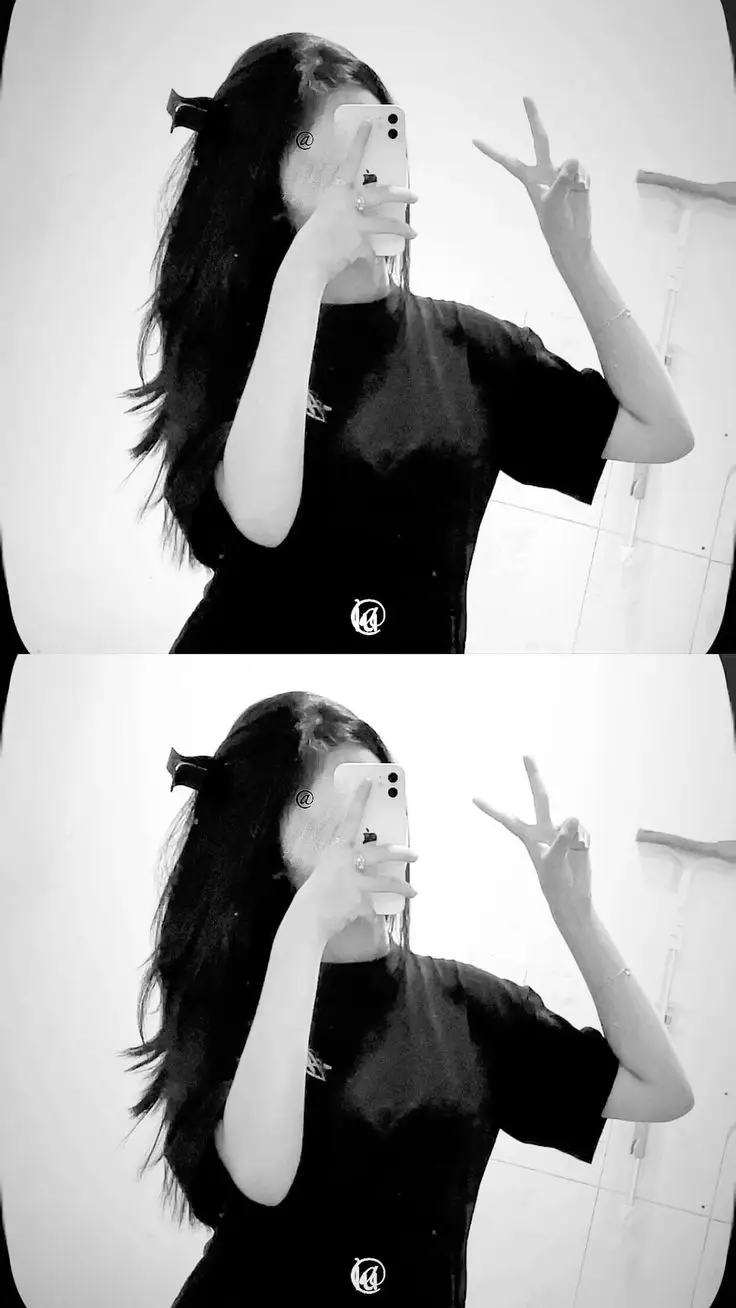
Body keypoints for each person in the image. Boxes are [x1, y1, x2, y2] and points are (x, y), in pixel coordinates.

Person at [122, 33, 694, 654]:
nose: (368, 176)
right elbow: (263, 517)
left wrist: (577, 260)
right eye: (340, 156)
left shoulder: (471, 350)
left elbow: (663, 431)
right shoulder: (238, 343)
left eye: (382, 141)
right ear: (272, 187)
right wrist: (304, 272)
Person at [122, 691, 694, 1307]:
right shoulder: (241, 998)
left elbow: (663, 1090)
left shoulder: (470, 1007)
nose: (367, 833)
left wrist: (577, 918)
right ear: (272, 845)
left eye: (381, 798)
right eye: (338, 810)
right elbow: (263, 1177)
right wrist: (303, 933)